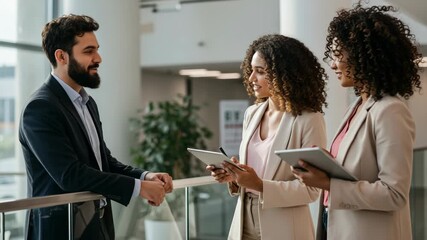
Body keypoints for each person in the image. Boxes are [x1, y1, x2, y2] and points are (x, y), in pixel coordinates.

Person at [19, 14, 173, 240]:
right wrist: (138, 188)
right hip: (61, 231)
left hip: (97, 224)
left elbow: (103, 162)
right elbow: (70, 175)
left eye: (97, 49)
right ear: (61, 56)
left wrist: (145, 176)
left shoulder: (87, 103)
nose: (98, 58)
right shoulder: (40, 107)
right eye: (88, 51)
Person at [292, 4, 422, 240]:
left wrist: (328, 182)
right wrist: (327, 165)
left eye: (338, 54)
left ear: (364, 56)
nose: (332, 65)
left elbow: (394, 194)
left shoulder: (390, 110)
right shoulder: (357, 107)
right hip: (336, 225)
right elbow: (359, 170)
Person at [208, 34, 328, 240]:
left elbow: (312, 191)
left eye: (260, 72)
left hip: (284, 225)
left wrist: (260, 185)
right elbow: (251, 174)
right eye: (251, 70)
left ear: (285, 75)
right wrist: (234, 176)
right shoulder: (252, 114)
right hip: (243, 219)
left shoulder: (309, 119)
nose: (252, 78)